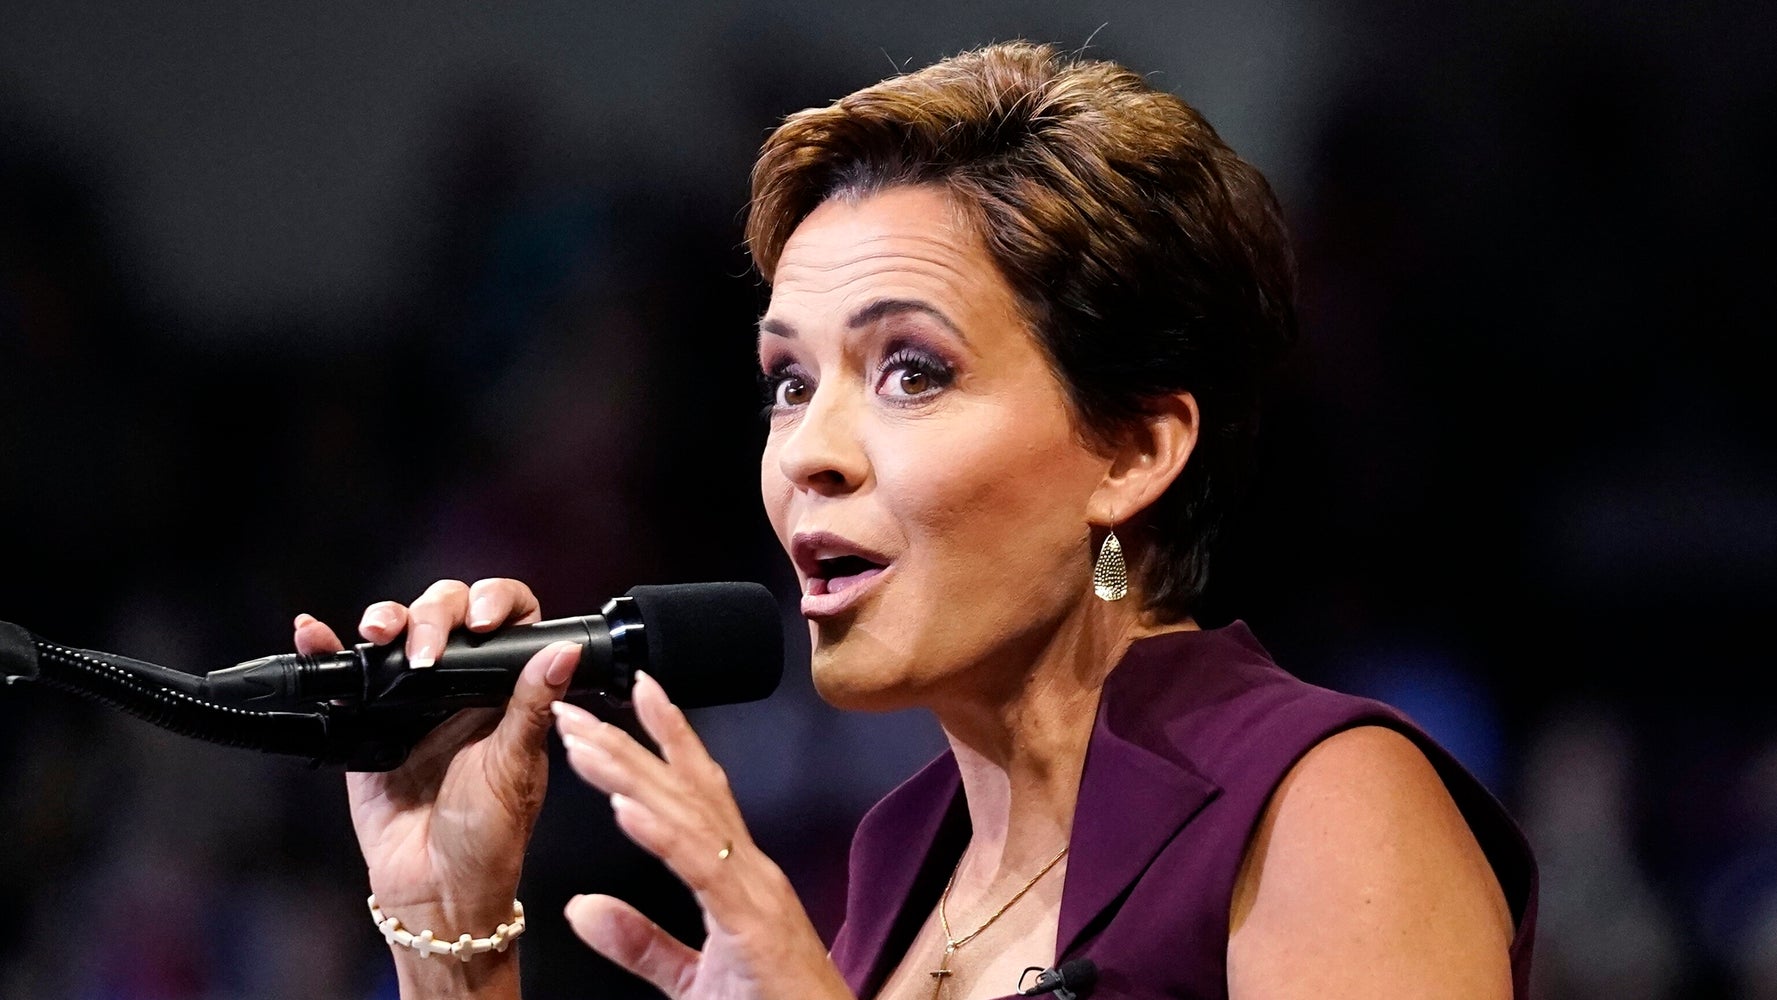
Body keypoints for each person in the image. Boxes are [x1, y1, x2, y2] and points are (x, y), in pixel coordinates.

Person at [292, 40, 1537, 1000]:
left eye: (911, 370)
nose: (808, 452)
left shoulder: (1321, 802)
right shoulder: (899, 865)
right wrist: (451, 942)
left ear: (1135, 450)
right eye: (789, 382)